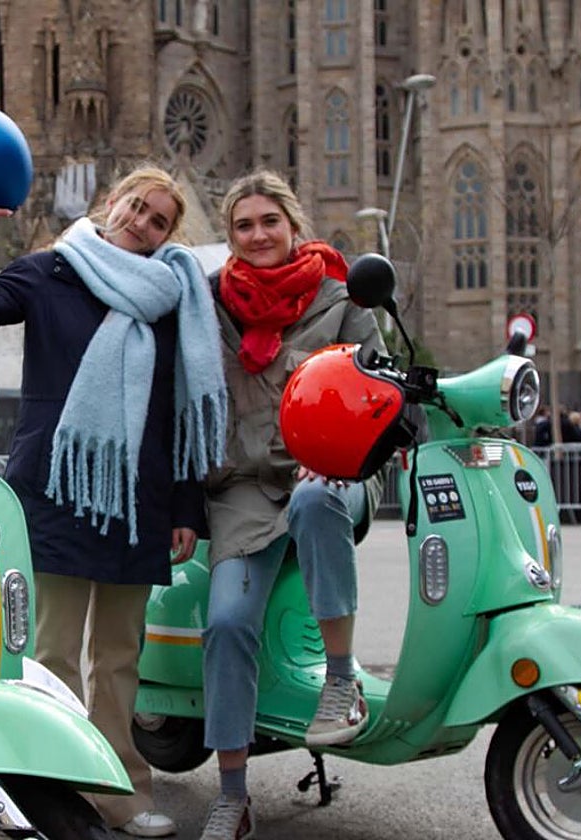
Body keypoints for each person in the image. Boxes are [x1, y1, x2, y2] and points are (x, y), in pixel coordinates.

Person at [0, 166, 227, 837]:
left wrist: (187, 507)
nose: (144, 222)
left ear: (165, 236)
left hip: (140, 495)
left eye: (159, 221)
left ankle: (121, 796)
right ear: (112, 203)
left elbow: (178, 408)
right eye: (137, 206)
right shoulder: (52, 272)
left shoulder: (169, 297)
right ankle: (49, 795)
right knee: (53, 655)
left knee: (120, 659)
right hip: (59, 486)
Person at [198, 169, 386, 840]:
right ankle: (232, 795)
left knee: (315, 499)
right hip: (245, 489)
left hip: (334, 472)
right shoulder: (212, 305)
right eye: (243, 226)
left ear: (292, 224)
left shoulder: (341, 298)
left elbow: (381, 390)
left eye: (268, 221)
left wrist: (338, 444)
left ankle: (342, 679)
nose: (257, 235)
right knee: (224, 624)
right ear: (230, 236)